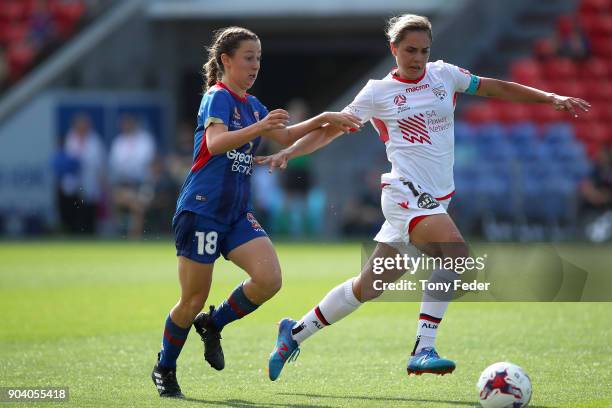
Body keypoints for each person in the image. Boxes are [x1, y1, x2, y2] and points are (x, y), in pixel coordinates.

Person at [258, 14, 590, 381]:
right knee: (457, 257)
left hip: (434, 201)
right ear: (394, 49)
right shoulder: (377, 92)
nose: (417, 58)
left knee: (367, 286)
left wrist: (549, 97)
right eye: (410, 50)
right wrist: (292, 152)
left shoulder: (444, 75)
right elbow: (332, 129)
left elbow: (496, 87)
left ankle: (294, 332)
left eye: (424, 50)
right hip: (405, 193)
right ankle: (423, 348)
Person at [151, 26, 361, 398]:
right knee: (191, 299)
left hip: (235, 213)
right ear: (225, 61)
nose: (255, 65)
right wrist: (258, 127)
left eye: (259, 58)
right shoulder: (217, 98)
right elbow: (215, 145)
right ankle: (165, 367)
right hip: (201, 210)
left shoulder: (251, 105)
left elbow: (284, 136)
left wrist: (326, 118)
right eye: (249, 58)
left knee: (269, 280)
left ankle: (213, 324)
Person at [108, 114, 156, 238]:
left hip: (142, 183)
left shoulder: (145, 139)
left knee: (137, 204)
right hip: (123, 184)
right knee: (118, 200)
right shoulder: (118, 142)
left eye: (129, 124)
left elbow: (149, 162)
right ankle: (120, 233)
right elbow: (115, 166)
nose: (126, 127)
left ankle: (134, 237)